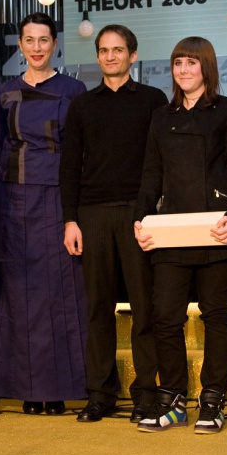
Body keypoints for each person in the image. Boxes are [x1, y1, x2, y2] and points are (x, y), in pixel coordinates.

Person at [133, 36, 227, 433]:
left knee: (216, 315)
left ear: (207, 68)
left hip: (217, 229)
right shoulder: (160, 116)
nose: (183, 70)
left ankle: (212, 399)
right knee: (165, 318)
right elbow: (151, 173)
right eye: (178, 63)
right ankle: (172, 400)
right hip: (170, 231)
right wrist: (140, 218)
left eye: (191, 63)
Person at [0, 13, 88, 415]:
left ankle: (57, 389)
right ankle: (24, 387)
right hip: (13, 200)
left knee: (58, 293)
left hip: (57, 197)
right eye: (29, 40)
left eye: (44, 40)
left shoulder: (74, 90)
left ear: (55, 44)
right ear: (20, 46)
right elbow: (2, 144)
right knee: (16, 292)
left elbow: (78, 152)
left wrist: (73, 211)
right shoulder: (5, 91)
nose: (36, 47)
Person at [60, 24, 167, 423]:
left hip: (140, 215)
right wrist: (70, 220)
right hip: (93, 214)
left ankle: (146, 392)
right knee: (98, 309)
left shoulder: (154, 100)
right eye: (104, 50)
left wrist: (154, 213)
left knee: (145, 307)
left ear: (132, 56)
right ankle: (100, 393)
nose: (110, 56)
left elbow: (162, 161)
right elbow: (69, 167)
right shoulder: (82, 105)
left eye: (118, 50)